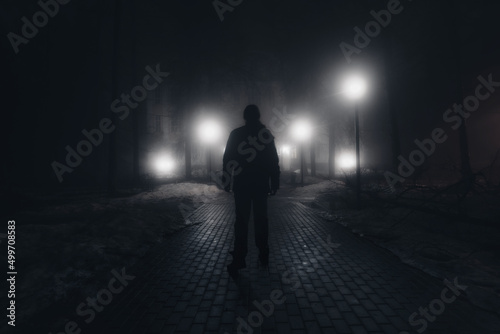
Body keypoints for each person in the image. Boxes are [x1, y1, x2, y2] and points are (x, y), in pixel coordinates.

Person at [223, 104, 280, 274]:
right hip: (260, 184)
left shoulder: (236, 134)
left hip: (242, 184)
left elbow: (228, 159)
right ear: (258, 116)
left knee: (241, 222)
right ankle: (263, 252)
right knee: (261, 220)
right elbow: (273, 161)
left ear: (245, 117)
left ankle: (240, 257)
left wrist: (227, 180)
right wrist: (274, 182)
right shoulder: (266, 135)